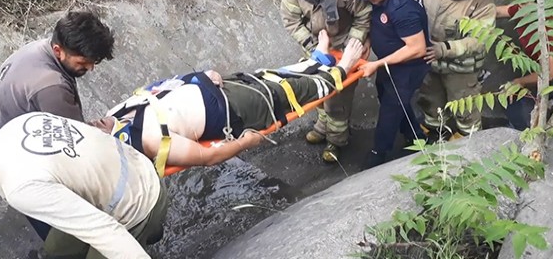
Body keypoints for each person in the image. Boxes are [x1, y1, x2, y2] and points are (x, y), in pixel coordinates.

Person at [93, 31, 364, 170]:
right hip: (232, 111)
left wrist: (195, 77)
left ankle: (317, 60)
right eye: (95, 127)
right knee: (288, 92)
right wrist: (247, 141)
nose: (95, 122)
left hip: (213, 85)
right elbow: (207, 157)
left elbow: (157, 89)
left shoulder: (116, 113)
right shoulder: (151, 141)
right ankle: (340, 70)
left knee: (269, 76)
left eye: (91, 123)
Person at [0, 112, 167, 259]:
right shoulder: (21, 123)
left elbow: (104, 229)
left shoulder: (19, 186)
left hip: (140, 205)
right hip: (137, 167)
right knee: (56, 250)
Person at [0, 10, 115, 240]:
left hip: (16, 145)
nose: (90, 68)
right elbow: (79, 148)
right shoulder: (51, 87)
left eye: (94, 62)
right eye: (84, 62)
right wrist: (105, 134)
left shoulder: (37, 49)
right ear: (59, 51)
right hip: (32, 170)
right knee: (66, 238)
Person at [281, 0, 372, 162]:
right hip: (315, 50)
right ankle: (322, 127)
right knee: (319, 94)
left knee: (338, 102)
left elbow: (363, 16)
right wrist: (314, 48)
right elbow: (290, 19)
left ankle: (336, 141)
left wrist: (354, 44)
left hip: (344, 53)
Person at [351, 0, 431, 168]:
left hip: (409, 68)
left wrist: (377, 64)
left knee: (390, 108)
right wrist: (368, 42)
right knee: (386, 96)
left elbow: (417, 48)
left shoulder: (404, 8)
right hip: (390, 62)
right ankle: (416, 136)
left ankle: (379, 153)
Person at [411, 0, 496, 141]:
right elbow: (408, 2)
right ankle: (433, 129)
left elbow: (481, 39)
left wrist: (445, 49)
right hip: (429, 59)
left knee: (465, 104)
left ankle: (467, 137)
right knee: (430, 97)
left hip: (461, 67)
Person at [496, 4, 553, 130]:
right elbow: (498, 11)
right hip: (540, 72)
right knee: (507, 97)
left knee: (516, 105)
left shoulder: (551, 30)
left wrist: (520, 81)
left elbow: (551, 73)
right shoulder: (522, 10)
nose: (522, 8)